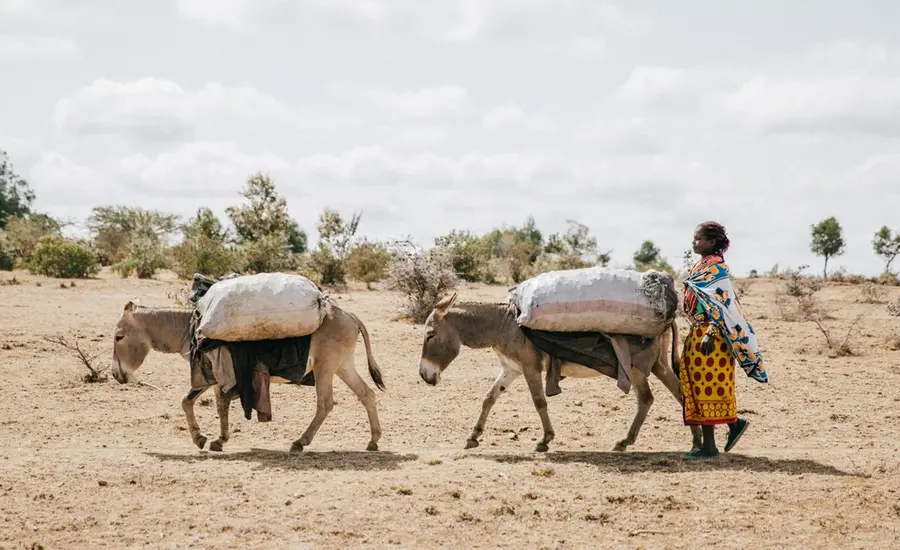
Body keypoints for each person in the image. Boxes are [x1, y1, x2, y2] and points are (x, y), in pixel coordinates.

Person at [679, 221, 767, 460]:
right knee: (698, 387)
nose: (694, 242)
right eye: (694, 238)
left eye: (699, 239)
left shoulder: (717, 269)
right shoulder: (701, 265)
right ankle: (732, 425)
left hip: (712, 338)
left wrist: (710, 332)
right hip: (697, 332)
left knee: (708, 387)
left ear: (712, 242)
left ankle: (710, 445)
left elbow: (723, 307)